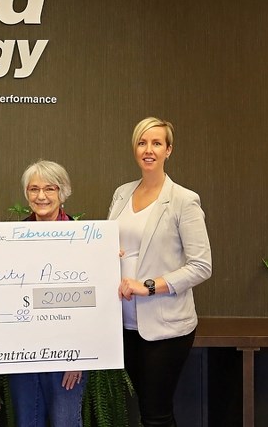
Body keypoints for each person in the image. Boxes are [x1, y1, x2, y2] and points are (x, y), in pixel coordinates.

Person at [107, 117, 212, 427]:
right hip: (125, 324)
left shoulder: (183, 200)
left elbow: (201, 265)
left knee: (155, 413)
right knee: (147, 410)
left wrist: (149, 286)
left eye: (156, 143)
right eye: (142, 142)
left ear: (169, 150)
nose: (148, 149)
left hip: (165, 326)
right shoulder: (121, 193)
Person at [9, 160, 87, 426]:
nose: (41, 196)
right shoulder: (11, 239)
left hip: (66, 356)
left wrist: (78, 356)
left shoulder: (83, 240)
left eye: (49, 189)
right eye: (34, 189)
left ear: (62, 193)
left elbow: (89, 304)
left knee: (65, 421)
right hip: (22, 354)